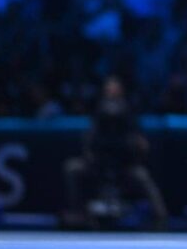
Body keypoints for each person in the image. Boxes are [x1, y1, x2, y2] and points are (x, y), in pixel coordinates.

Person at [62, 76, 168, 230]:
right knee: (72, 168)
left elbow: (140, 141)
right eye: (108, 89)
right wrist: (91, 156)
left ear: (121, 91)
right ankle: (78, 213)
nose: (111, 92)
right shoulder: (98, 112)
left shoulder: (130, 112)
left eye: (114, 88)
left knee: (142, 176)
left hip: (124, 166)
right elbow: (89, 140)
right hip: (98, 164)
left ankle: (161, 216)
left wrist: (137, 147)